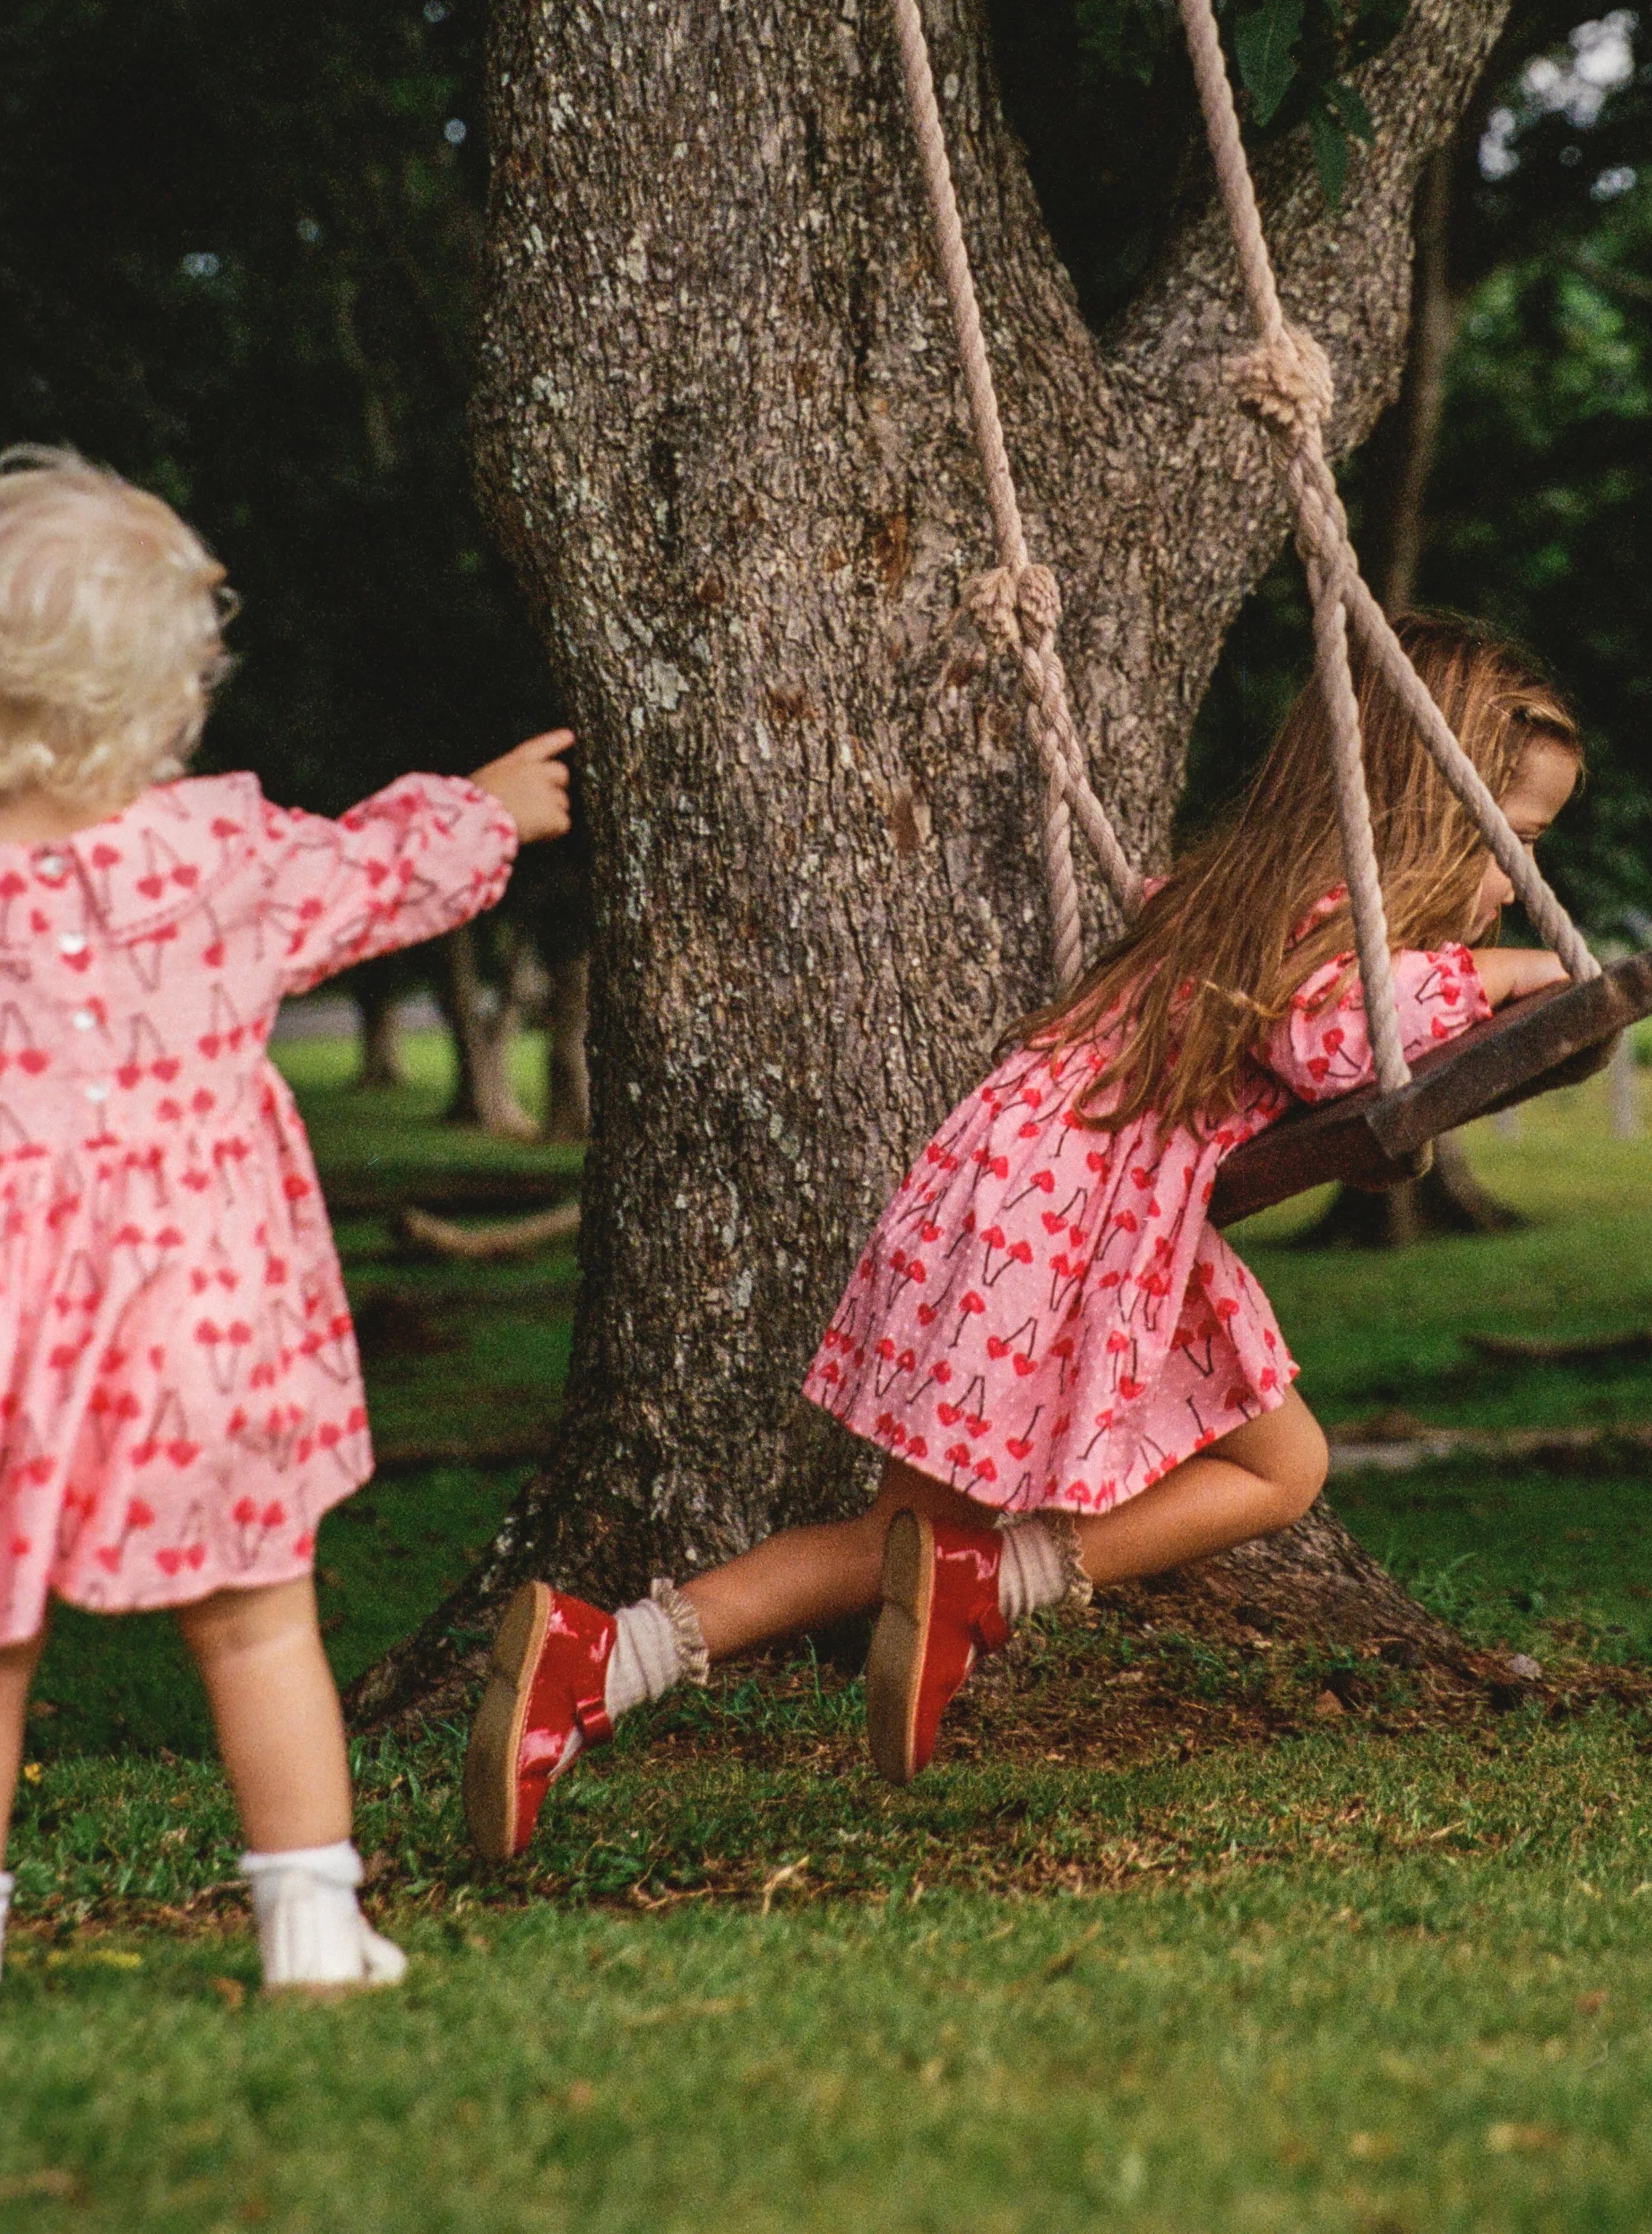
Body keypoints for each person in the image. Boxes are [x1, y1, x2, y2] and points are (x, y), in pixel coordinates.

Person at [464, 610, 1577, 1856]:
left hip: (1044, 1204)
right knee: (1164, 1493)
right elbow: (1329, 1039)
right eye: (1511, 848)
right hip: (1055, 1224)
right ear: (1425, 808)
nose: (1509, 890)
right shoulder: (1324, 918)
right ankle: (673, 1647)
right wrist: (1508, 978)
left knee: (1111, 1505)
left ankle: (674, 1647)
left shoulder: (1241, 892)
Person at [0, 448, 573, 2017]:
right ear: (171, 699)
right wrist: (485, 806)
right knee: (263, 1614)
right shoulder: (219, 864)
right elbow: (370, 870)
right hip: (206, 1312)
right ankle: (313, 1925)